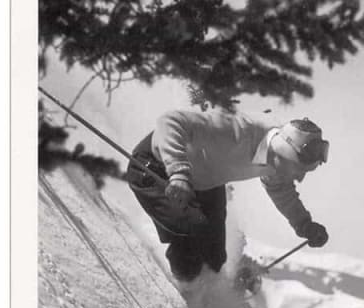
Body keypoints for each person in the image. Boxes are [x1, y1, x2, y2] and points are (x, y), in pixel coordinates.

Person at [125, 108, 330, 297]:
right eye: (298, 170)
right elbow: (170, 121)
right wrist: (178, 172)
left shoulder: (277, 163)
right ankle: (188, 297)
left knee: (214, 256)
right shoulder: (237, 129)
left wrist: (304, 224)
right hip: (155, 167)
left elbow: (281, 190)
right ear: (282, 154)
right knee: (191, 231)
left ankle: (209, 301)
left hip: (204, 180)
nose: (299, 178)